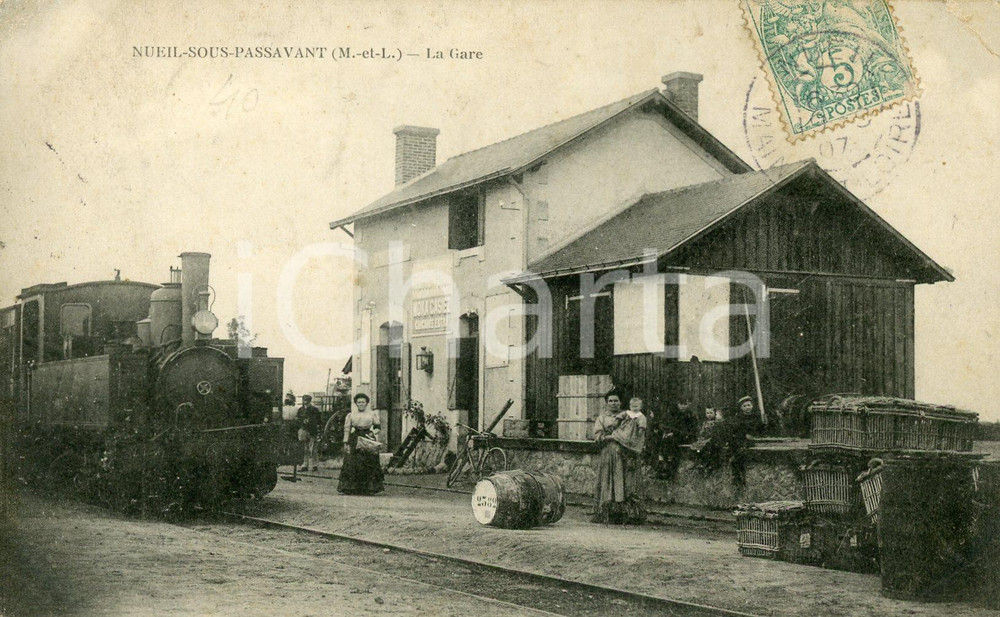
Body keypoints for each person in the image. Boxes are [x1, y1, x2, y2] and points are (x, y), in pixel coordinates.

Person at [592, 392, 647, 525]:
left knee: (626, 483)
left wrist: (622, 438)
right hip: (609, 453)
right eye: (610, 401)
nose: (613, 403)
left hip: (625, 454)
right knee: (608, 480)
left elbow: (636, 434)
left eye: (616, 401)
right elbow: (597, 435)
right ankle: (607, 513)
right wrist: (606, 437)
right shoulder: (602, 418)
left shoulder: (629, 416)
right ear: (606, 403)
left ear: (621, 403)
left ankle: (627, 513)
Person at [337, 392, 385, 495]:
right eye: (359, 402)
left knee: (369, 461)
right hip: (355, 438)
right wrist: (346, 442)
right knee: (352, 461)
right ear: (356, 404)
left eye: (363, 402)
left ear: (367, 403)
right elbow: (347, 429)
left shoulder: (372, 414)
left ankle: (369, 488)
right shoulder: (351, 415)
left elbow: (378, 427)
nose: (361, 404)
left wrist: (372, 433)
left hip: (368, 438)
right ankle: (351, 488)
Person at [296, 394, 322, 471]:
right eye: (304, 400)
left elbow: (319, 421)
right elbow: (298, 420)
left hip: (312, 431)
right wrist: (302, 423)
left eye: (307, 400)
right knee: (304, 448)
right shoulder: (300, 410)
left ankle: (315, 465)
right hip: (303, 430)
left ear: (310, 401)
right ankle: (305, 464)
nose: (305, 402)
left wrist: (310, 422)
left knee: (313, 449)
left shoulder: (315, 410)